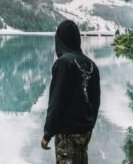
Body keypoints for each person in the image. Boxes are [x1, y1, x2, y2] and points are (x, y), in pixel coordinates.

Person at [40, 20, 101, 164]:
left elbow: (57, 102)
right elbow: (96, 101)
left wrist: (47, 134)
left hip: (68, 134)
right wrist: (89, 125)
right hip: (85, 132)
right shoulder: (92, 65)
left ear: (60, 40)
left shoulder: (64, 63)